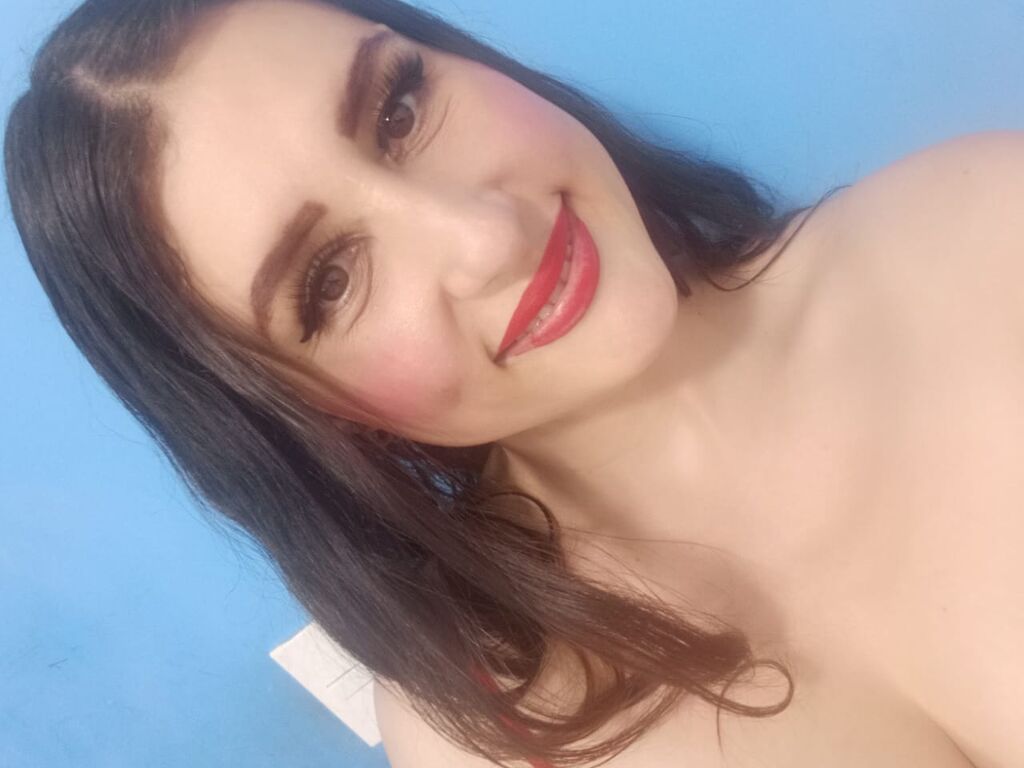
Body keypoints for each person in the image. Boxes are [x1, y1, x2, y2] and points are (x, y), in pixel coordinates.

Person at [5, 0, 1021, 765]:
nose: (484, 236)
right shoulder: (480, 732)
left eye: (400, 107)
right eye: (330, 282)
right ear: (302, 409)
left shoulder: (988, 228)